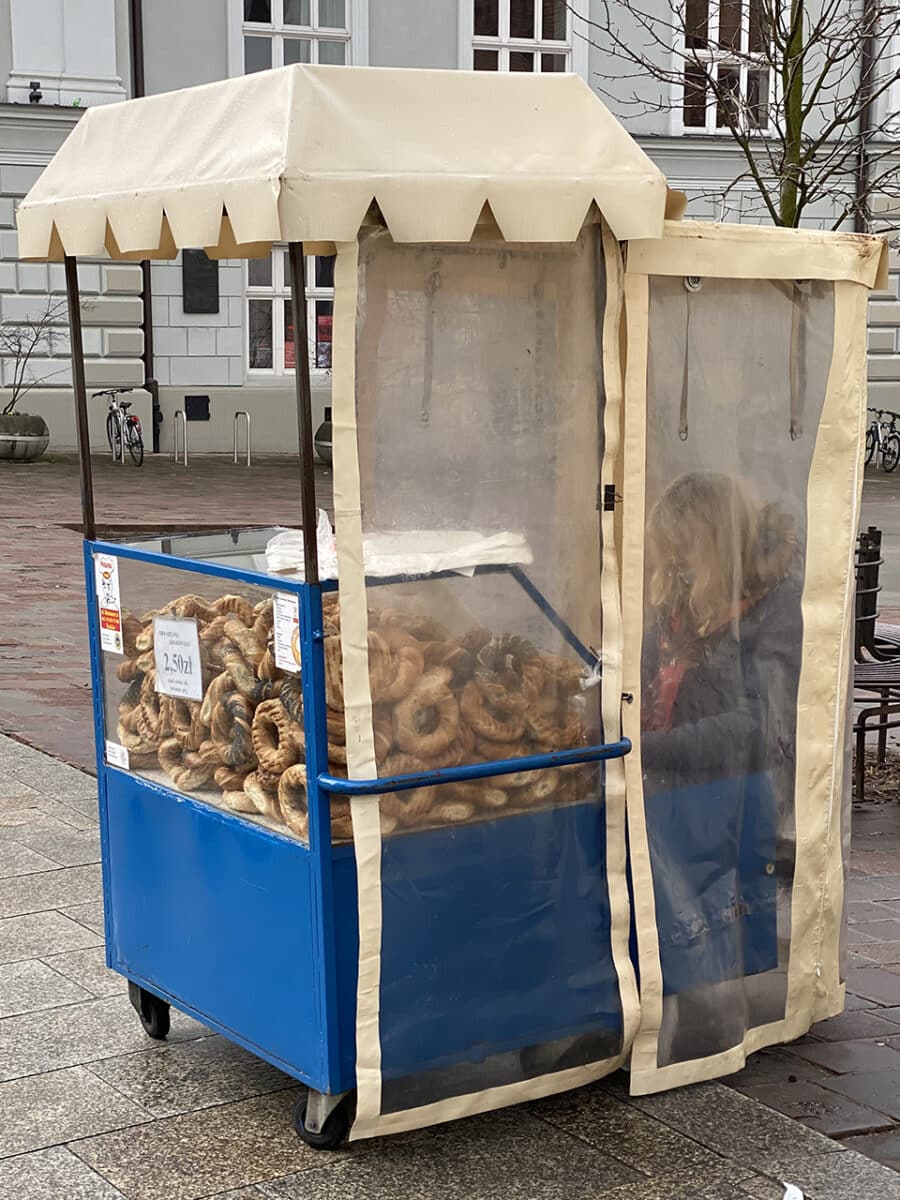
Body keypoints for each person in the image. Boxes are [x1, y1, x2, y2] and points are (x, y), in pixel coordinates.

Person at [639, 471, 803, 1064]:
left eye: (685, 551)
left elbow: (760, 725)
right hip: (666, 782)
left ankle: (704, 1036)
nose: (675, 565)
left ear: (716, 545)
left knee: (706, 926)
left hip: (726, 793)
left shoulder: (774, 605)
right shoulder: (681, 598)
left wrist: (651, 747)